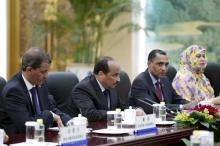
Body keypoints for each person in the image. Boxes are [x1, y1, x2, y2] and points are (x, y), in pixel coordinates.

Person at [0, 47, 71, 134]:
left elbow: (51, 107)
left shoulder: (39, 82)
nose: (46, 76)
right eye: (43, 72)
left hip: (40, 137)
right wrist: (50, 115)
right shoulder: (13, 91)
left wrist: (69, 122)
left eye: (47, 71)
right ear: (29, 70)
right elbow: (26, 125)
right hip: (18, 140)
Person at [67, 56, 127, 122]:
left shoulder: (110, 85)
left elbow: (122, 107)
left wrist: (135, 110)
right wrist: (118, 115)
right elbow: (90, 114)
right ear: (101, 74)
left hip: (108, 128)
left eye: (118, 75)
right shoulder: (82, 89)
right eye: (115, 75)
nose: (118, 79)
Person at [130, 49, 189, 114]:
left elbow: (178, 100)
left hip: (168, 120)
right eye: (160, 64)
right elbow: (152, 108)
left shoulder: (166, 80)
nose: (164, 68)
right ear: (149, 63)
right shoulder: (140, 82)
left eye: (166, 64)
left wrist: (192, 104)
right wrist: (182, 107)